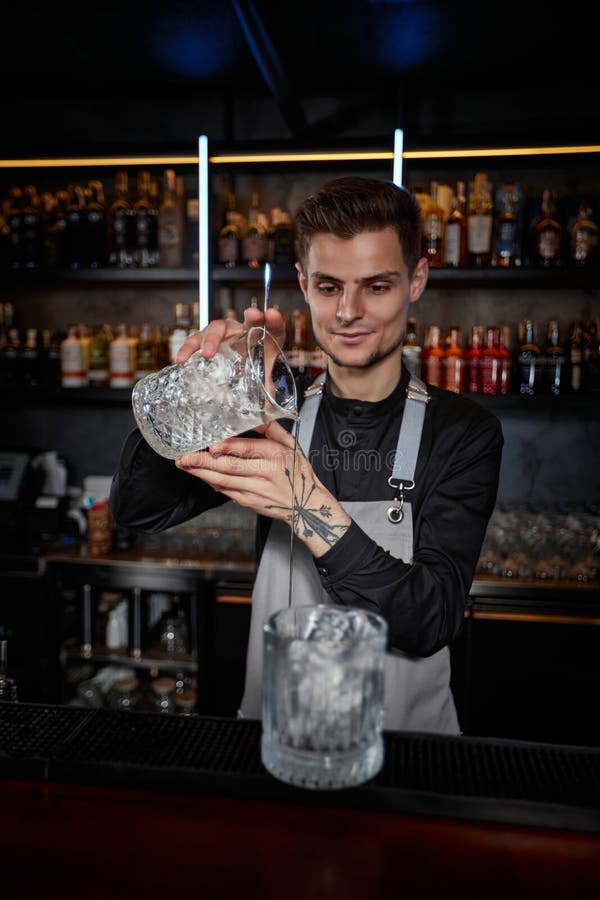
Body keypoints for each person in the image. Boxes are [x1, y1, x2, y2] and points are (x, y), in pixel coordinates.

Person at [109, 176, 503, 734]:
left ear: (416, 280)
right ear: (302, 283)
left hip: (412, 758)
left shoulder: (464, 433)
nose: (349, 311)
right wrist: (210, 390)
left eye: (377, 286)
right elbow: (138, 508)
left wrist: (304, 505)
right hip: (278, 745)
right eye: (328, 287)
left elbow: (429, 619)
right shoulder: (271, 415)